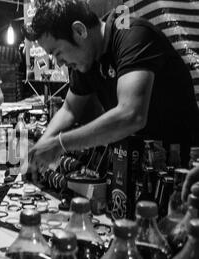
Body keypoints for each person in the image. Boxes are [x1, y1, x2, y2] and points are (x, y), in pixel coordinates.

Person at [23, 0, 199, 176]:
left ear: (79, 31)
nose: (59, 63)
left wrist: (59, 144)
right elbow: (70, 109)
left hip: (179, 165)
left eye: (57, 53)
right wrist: (42, 145)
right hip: (138, 163)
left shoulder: (132, 35)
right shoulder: (87, 59)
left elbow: (131, 115)